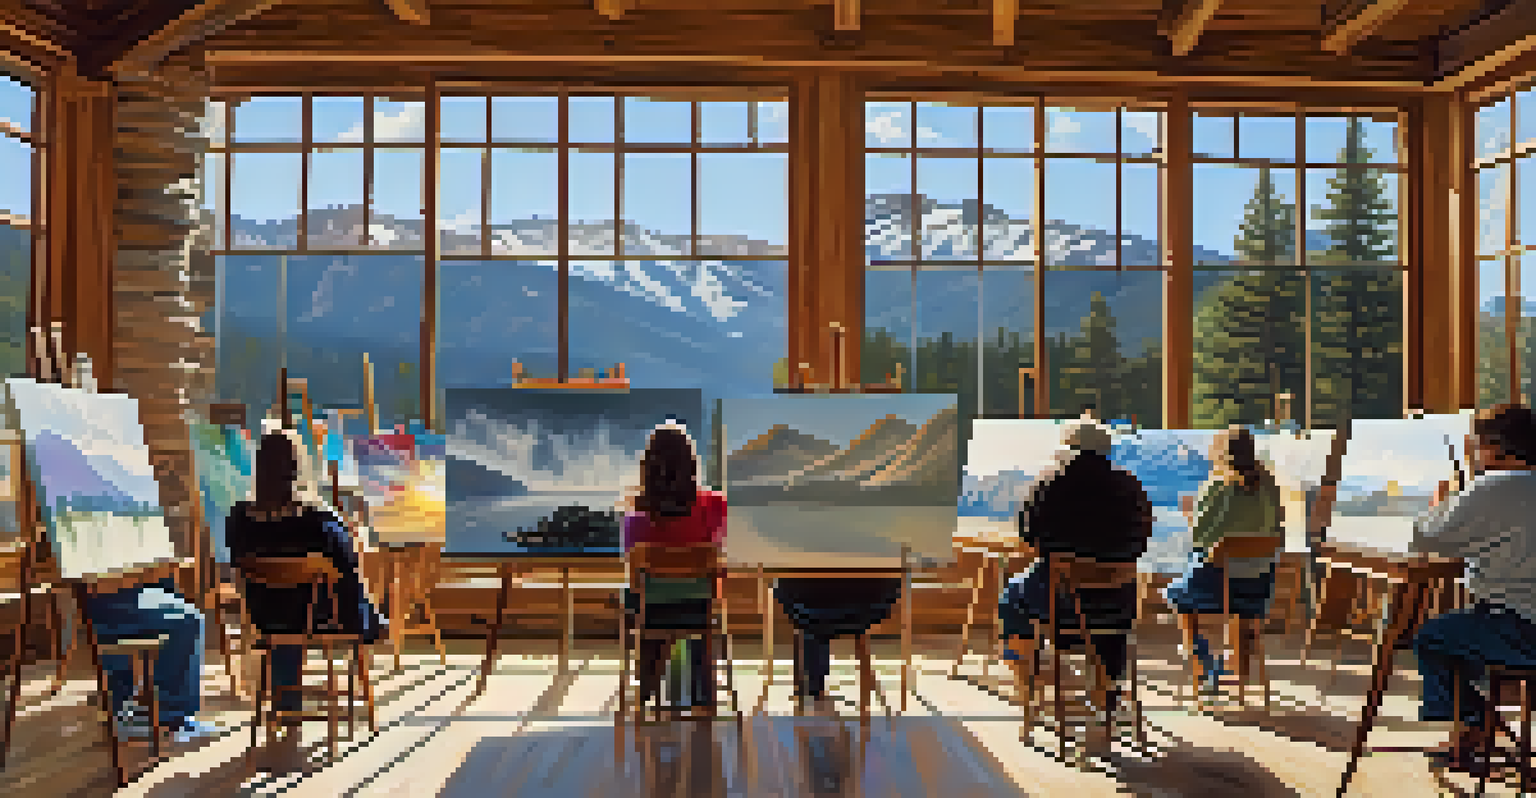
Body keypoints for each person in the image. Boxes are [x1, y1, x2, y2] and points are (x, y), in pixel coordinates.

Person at [1403, 404, 1536, 775]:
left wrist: (1444, 500)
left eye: (1477, 446)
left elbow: (1425, 536)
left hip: (1521, 626)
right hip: (1523, 620)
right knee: (1466, 634)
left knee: (1433, 638)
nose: (1474, 453)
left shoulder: (1496, 485)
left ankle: (1475, 725)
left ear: (1497, 449)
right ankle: (1474, 730)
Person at [226, 431, 384, 719]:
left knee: (285, 610)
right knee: (332, 591)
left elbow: (238, 563)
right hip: (321, 618)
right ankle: (372, 624)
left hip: (264, 615)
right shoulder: (316, 520)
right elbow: (348, 567)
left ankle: (285, 703)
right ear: (297, 469)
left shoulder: (239, 519)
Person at [998, 418, 1152, 713]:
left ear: (1068, 448)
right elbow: (1143, 540)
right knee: (1102, 617)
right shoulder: (1131, 486)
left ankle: (1028, 689)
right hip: (1116, 608)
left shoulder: (1050, 483)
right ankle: (1104, 695)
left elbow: (1028, 534)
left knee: (1011, 599)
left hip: (1060, 603)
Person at [1163, 425, 1284, 693]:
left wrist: (1190, 516)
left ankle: (1205, 663)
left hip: (1218, 585)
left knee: (1175, 594)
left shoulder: (1218, 485)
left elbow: (1200, 538)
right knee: (1241, 613)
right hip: (1258, 587)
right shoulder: (1270, 485)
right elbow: (1277, 530)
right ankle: (1239, 673)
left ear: (1221, 453)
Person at [621, 422, 726, 709]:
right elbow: (724, 558)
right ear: (692, 465)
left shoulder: (635, 517)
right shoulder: (717, 506)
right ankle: (702, 691)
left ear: (648, 467)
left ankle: (646, 688)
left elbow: (634, 581)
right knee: (695, 605)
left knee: (641, 601)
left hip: (652, 610)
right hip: (700, 607)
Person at [87, 575, 222, 743]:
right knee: (188, 620)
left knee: (169, 585)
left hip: (122, 589)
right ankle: (170, 718)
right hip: (106, 598)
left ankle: (132, 703)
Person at [774, 578, 902, 704]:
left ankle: (811, 690)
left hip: (809, 607)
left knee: (808, 617)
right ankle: (811, 691)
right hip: (864, 607)